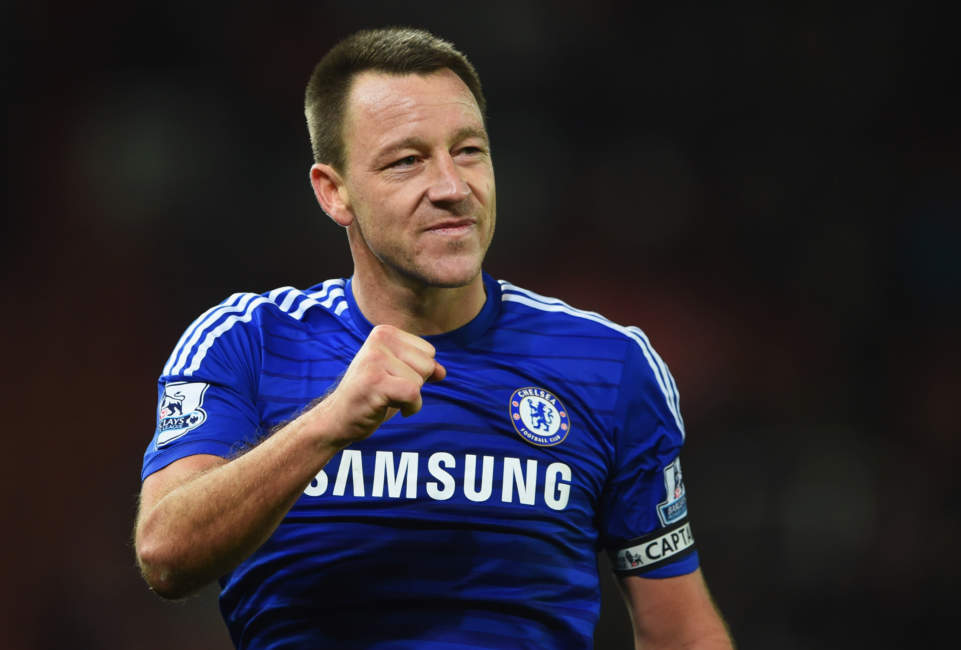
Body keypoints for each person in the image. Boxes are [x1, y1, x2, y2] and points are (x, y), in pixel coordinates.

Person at [134, 27, 734, 649]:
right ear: (334, 192)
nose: (452, 187)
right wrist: (329, 423)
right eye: (407, 161)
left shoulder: (608, 364)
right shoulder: (247, 343)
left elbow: (681, 635)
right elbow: (165, 555)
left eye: (469, 151)